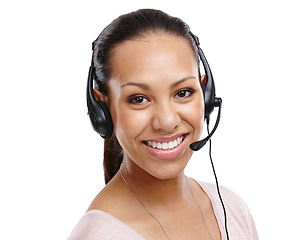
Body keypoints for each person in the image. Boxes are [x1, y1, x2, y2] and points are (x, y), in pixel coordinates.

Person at [68, 9, 259, 240]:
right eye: (139, 99)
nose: (167, 122)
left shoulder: (231, 207)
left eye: (183, 92)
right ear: (103, 110)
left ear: (206, 94)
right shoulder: (100, 235)